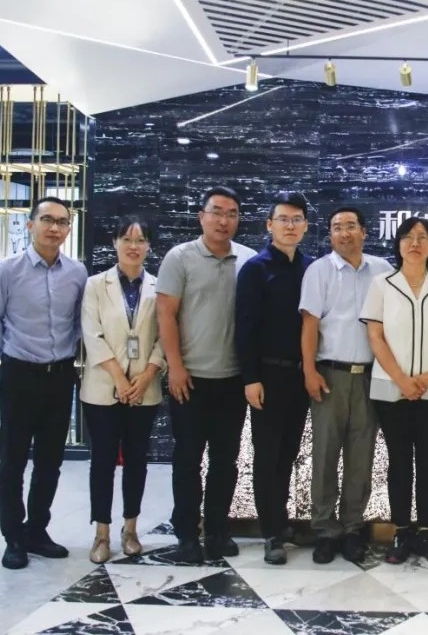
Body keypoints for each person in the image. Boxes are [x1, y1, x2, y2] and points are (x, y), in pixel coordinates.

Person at [0, 196, 87, 570]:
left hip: (60, 376)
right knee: (12, 461)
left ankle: (37, 530)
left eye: (62, 221)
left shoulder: (77, 273)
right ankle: (13, 537)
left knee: (49, 461)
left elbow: (79, 322)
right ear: (30, 225)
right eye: (47, 220)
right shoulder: (7, 271)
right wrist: (10, 357)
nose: (54, 228)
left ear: (68, 229)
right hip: (20, 375)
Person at [156, 186, 257, 564]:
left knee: (225, 461)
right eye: (216, 212)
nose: (223, 220)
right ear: (201, 216)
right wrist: (175, 367)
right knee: (187, 459)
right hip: (190, 380)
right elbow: (165, 314)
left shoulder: (248, 260)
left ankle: (217, 530)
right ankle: (186, 533)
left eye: (232, 214)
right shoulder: (179, 257)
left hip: (232, 380)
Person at [360, 217, 428, 565]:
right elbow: (375, 336)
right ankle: (402, 532)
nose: (415, 243)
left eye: (422, 237)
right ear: (398, 244)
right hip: (391, 388)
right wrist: (402, 379)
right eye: (408, 237)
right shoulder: (382, 284)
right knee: (399, 461)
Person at [300, 206, 392, 564]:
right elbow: (309, 325)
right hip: (330, 375)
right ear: (330, 234)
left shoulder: (382, 270)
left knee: (360, 456)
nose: (344, 233)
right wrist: (309, 370)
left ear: (364, 232)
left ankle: (353, 527)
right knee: (325, 454)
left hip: (370, 376)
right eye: (337, 227)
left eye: (351, 226)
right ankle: (325, 529)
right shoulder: (319, 271)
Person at [80, 216, 165, 564]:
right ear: (114, 242)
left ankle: (130, 529)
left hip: (144, 389)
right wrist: (119, 377)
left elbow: (165, 337)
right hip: (103, 387)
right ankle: (101, 532)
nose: (133, 246)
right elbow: (92, 334)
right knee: (102, 461)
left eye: (140, 240)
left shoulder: (159, 287)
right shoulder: (95, 285)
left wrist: (146, 375)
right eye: (127, 239)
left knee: (136, 460)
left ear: (148, 246)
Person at [235, 192, 313, 565]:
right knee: (267, 456)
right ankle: (270, 532)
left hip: (300, 377)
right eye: (283, 219)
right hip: (267, 376)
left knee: (288, 454)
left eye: (296, 219)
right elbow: (245, 328)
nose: (290, 225)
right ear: (270, 225)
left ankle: (282, 523)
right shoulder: (255, 269)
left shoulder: (311, 268)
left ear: (305, 226)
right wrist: (250, 378)